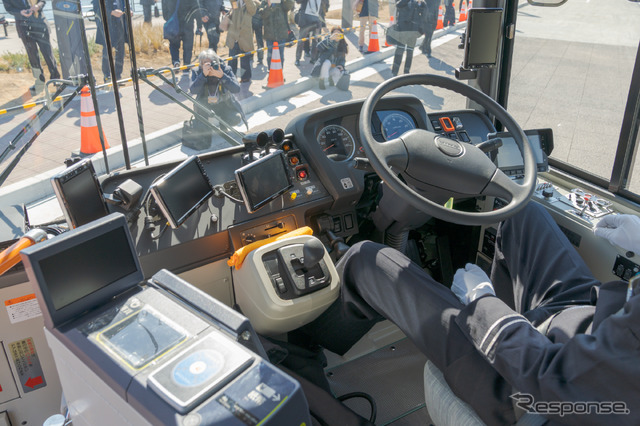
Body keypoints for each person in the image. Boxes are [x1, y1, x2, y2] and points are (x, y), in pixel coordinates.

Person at [295, 202, 640, 425]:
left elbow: (555, 380)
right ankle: (509, 327)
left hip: (533, 396)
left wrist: (483, 307)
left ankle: (300, 352)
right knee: (522, 214)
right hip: (591, 320)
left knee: (366, 260)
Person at [3, 0, 60, 93]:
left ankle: (56, 79)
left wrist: (37, 6)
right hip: (23, 27)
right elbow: (9, 9)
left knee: (48, 53)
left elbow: (43, 1)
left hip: (40, 24)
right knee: (32, 56)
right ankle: (39, 82)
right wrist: (20, 13)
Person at [189, 49, 246, 131]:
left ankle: (223, 124)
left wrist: (222, 76)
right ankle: (205, 127)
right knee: (201, 127)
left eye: (211, 63)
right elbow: (193, 90)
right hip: (205, 105)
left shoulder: (225, 69)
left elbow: (236, 89)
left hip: (224, 103)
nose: (210, 67)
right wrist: (203, 76)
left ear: (217, 62)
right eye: (206, 64)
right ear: (201, 65)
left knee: (235, 118)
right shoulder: (197, 72)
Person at [92, 0, 129, 85]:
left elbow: (124, 4)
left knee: (120, 53)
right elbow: (97, 10)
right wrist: (111, 12)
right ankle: (107, 77)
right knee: (107, 54)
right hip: (107, 28)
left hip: (120, 26)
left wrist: (127, 11)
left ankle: (118, 77)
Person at [162, 0, 200, 73]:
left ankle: (176, 61)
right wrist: (199, 25)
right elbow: (196, 8)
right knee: (188, 47)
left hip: (174, 24)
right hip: (188, 24)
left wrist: (169, 17)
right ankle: (186, 67)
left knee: (174, 45)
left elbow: (164, 10)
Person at [225, 0, 258, 83]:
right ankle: (231, 76)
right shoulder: (235, 2)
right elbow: (233, 9)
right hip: (234, 35)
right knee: (232, 58)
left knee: (245, 59)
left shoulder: (253, 2)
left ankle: (245, 78)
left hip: (244, 36)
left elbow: (252, 10)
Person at [390, 0, 424, 76]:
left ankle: (406, 72)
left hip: (413, 30)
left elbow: (423, 14)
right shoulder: (402, 1)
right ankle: (395, 72)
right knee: (399, 50)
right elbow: (398, 5)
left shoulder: (419, 3)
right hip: (402, 30)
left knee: (410, 52)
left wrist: (420, 4)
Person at [259, 0, 294, 69]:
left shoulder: (282, 2)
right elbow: (262, 15)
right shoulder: (265, 2)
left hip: (281, 34)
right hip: (269, 35)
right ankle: (270, 72)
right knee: (270, 56)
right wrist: (269, 6)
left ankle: (280, 73)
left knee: (280, 55)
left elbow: (289, 5)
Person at [294, 0, 325, 65]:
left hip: (317, 20)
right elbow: (298, 1)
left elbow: (323, 6)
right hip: (305, 20)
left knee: (315, 41)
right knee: (301, 40)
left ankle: (313, 59)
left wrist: (323, 22)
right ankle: (297, 59)